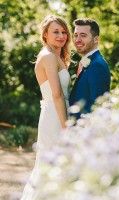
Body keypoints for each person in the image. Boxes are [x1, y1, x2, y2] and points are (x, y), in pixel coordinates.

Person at [21, 15, 71, 199]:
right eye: (55, 32)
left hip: (56, 113)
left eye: (64, 32)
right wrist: (66, 126)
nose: (61, 36)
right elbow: (56, 94)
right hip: (55, 117)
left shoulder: (56, 56)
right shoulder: (49, 57)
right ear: (45, 35)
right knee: (53, 165)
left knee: (58, 166)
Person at [69, 18, 110, 118]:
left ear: (96, 39)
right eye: (75, 35)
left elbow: (97, 106)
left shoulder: (97, 65)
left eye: (83, 35)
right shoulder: (88, 62)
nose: (78, 40)